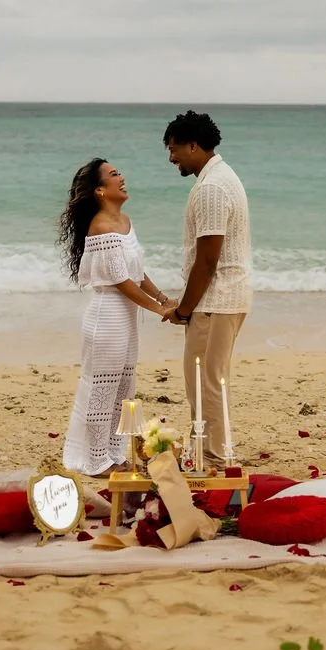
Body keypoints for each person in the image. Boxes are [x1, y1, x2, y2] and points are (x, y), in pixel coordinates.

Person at [58, 158, 176, 477]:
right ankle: (96, 461)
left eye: (120, 172)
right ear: (99, 190)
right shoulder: (102, 226)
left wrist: (165, 298)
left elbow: (136, 273)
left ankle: (114, 453)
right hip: (107, 317)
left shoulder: (125, 221)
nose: (122, 177)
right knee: (103, 388)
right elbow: (120, 282)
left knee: (125, 388)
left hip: (127, 318)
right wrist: (160, 310)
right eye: (113, 174)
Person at [160, 111, 253, 469]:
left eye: (174, 149)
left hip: (217, 300)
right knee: (206, 381)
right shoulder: (217, 178)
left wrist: (184, 309)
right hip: (222, 298)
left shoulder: (213, 188)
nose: (171, 158)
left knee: (205, 382)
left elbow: (208, 260)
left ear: (194, 146)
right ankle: (207, 452)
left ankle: (214, 458)